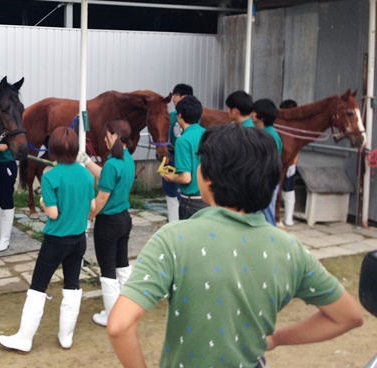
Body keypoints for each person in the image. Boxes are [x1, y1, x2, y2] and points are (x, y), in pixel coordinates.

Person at [107, 124, 364, 368]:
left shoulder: (173, 239)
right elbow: (348, 316)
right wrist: (276, 338)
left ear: (207, 179)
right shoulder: (290, 249)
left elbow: (119, 325)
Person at [0, 127, 95, 353]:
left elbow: (52, 213)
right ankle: (66, 336)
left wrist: (42, 203)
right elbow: (92, 210)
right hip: (79, 240)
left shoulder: (51, 176)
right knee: (72, 286)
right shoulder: (85, 174)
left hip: (56, 241)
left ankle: (24, 339)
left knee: (38, 287)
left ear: (53, 149)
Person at [79, 118, 135, 328]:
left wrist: (88, 217)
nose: (104, 138)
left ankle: (112, 316)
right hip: (124, 220)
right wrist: (86, 161)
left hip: (108, 224)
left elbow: (102, 198)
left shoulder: (112, 163)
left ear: (114, 136)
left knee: (108, 271)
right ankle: (127, 309)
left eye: (106, 135)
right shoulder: (127, 159)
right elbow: (105, 176)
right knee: (122, 265)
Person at [162, 95, 207, 219]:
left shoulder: (183, 141)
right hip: (209, 199)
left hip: (191, 202)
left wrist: (171, 178)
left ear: (180, 116)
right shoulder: (208, 134)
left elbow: (186, 178)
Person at [161, 83, 193, 223]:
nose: (173, 99)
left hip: (187, 158)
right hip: (172, 156)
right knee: (171, 192)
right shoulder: (170, 117)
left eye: (175, 96)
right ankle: (173, 222)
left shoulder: (195, 118)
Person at [252, 98, 283, 226]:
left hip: (266, 181)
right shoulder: (263, 133)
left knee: (268, 216)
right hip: (262, 180)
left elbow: (268, 162)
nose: (251, 113)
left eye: (254, 111)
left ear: (261, 117)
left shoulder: (269, 136)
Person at [279, 99, 299, 226]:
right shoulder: (278, 124)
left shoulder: (296, 127)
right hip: (277, 162)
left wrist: (294, 163)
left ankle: (288, 218)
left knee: (288, 190)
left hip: (290, 163)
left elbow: (297, 148)